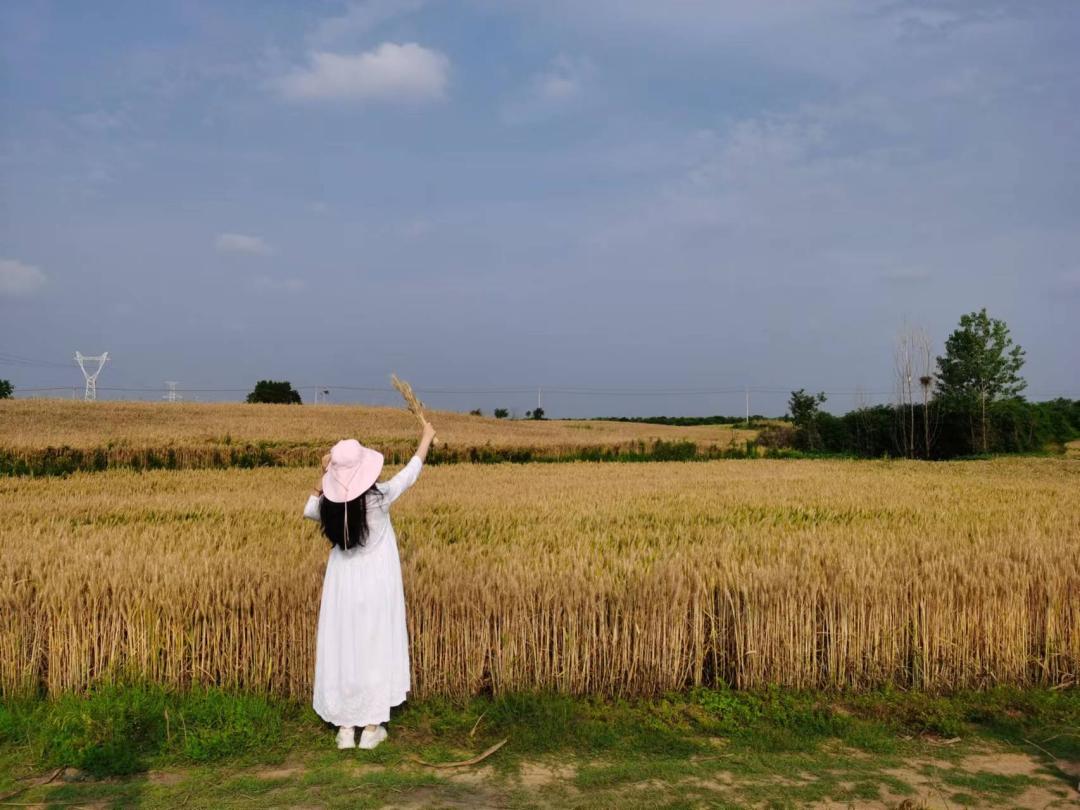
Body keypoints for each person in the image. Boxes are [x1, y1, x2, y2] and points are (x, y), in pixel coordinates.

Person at [302, 420, 436, 749]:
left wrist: (326, 477)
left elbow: (310, 506)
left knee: (344, 647)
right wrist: (426, 439)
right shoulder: (380, 499)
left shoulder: (328, 508)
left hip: (342, 586)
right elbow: (410, 473)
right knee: (375, 647)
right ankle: (372, 729)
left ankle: (345, 729)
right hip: (377, 585)